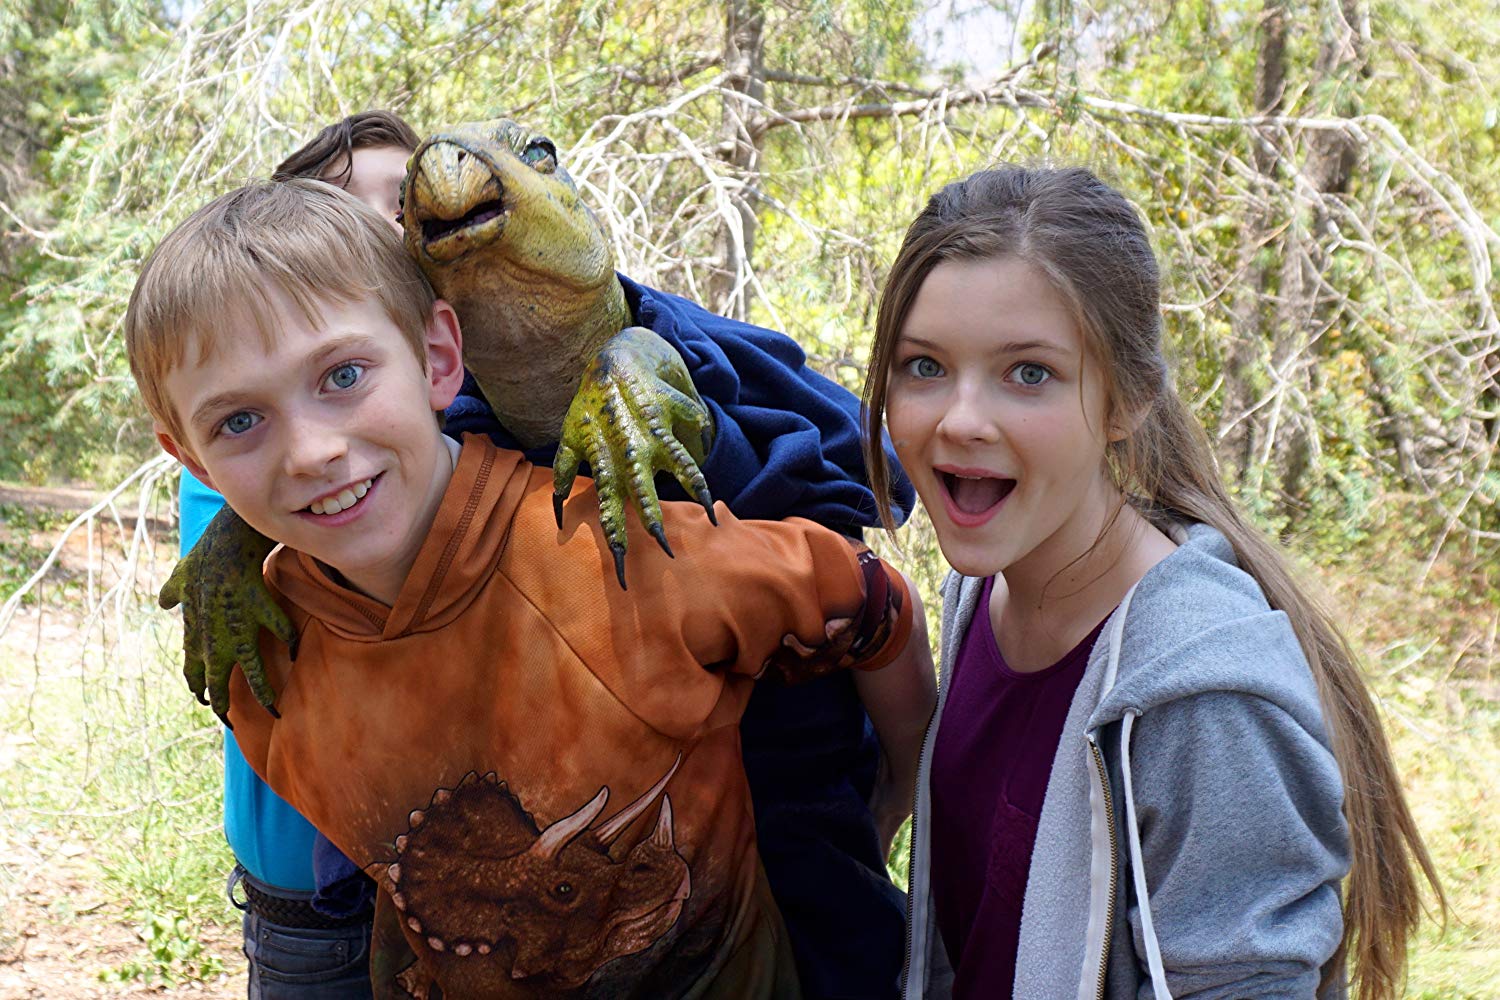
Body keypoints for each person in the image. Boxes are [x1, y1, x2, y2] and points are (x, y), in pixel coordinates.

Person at [130, 179, 935, 996]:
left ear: (440, 358)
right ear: (192, 460)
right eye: (239, 421)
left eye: (342, 375)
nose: (310, 451)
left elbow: (870, 599)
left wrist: (900, 792)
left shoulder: (613, 555)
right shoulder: (261, 665)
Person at [860, 166, 1443, 1000]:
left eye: (1029, 373)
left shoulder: (1202, 699)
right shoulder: (979, 599)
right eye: (923, 366)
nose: (960, 418)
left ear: (1126, 398)